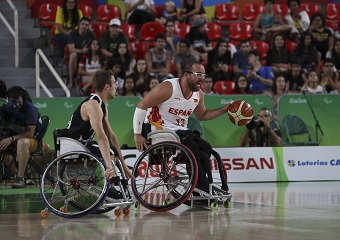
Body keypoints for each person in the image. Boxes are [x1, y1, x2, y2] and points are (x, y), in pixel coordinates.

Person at [133, 60, 230, 193]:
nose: (201, 79)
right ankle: (201, 186)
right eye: (198, 74)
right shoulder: (169, 87)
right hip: (159, 129)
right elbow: (141, 105)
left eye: (203, 75)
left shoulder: (198, 94)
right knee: (195, 149)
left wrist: (224, 110)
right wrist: (137, 134)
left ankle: (197, 183)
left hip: (179, 132)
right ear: (186, 75)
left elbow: (202, 115)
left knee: (206, 148)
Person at [64, 70, 133, 182]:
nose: (116, 87)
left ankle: (111, 184)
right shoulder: (93, 105)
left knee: (112, 149)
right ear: (107, 86)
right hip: (73, 144)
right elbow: (101, 137)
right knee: (109, 151)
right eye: (114, 83)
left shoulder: (102, 106)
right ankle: (110, 188)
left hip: (83, 144)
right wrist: (109, 165)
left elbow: (111, 137)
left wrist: (125, 167)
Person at [0, 87, 49, 188]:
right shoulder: (9, 106)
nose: (15, 104)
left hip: (31, 140)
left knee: (22, 142)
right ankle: (19, 175)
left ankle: (22, 177)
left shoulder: (31, 109)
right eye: (12, 101)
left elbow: (30, 133)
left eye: (17, 101)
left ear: (22, 97)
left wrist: (11, 139)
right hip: (14, 137)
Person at [67, 17, 96, 89]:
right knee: (73, 55)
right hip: (77, 54)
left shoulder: (91, 35)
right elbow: (71, 49)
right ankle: (71, 80)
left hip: (87, 55)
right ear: (79, 25)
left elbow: (95, 45)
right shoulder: (73, 34)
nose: (84, 26)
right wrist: (82, 51)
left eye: (86, 25)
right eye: (82, 24)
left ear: (89, 26)